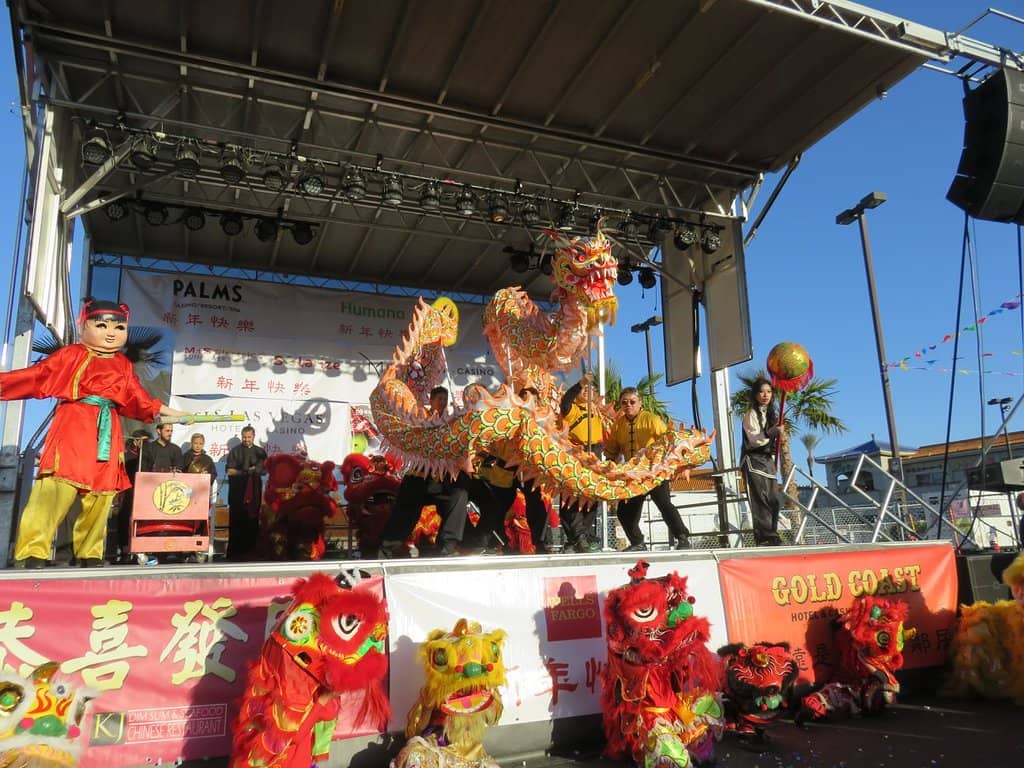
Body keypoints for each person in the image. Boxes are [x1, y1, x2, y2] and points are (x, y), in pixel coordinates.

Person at [0, 298, 192, 568]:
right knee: (56, 487)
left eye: (119, 327)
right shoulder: (72, 354)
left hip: (107, 429)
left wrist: (175, 414)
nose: (111, 333)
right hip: (74, 423)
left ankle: (90, 552)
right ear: (84, 326)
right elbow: (36, 376)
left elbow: (139, 398)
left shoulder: (123, 364)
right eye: (101, 326)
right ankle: (33, 552)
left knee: (101, 493)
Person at [380, 386, 469, 557]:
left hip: (442, 477)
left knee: (459, 496)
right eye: (439, 399)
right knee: (405, 510)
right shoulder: (420, 417)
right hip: (419, 475)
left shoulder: (451, 422)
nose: (442, 402)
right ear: (431, 401)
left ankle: (448, 546)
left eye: (445, 399)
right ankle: (387, 548)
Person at [604, 387, 690, 552]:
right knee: (624, 512)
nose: (628, 405)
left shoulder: (652, 420)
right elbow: (612, 450)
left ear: (640, 403)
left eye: (632, 402)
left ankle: (682, 537)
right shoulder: (618, 426)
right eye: (624, 402)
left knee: (664, 504)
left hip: (654, 472)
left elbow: (670, 441)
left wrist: (682, 465)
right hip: (633, 475)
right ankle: (638, 542)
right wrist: (607, 467)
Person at [558, 373, 604, 553]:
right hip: (576, 453)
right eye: (584, 389)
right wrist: (580, 384)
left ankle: (583, 535)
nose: (587, 391)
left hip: (595, 453)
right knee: (571, 495)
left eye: (590, 389)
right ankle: (578, 536)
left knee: (591, 496)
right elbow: (565, 402)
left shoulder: (597, 411)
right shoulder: (573, 409)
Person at [739, 377, 784, 546]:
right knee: (760, 500)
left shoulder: (771, 415)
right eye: (762, 392)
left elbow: (771, 442)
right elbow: (754, 439)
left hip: (767, 461)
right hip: (753, 460)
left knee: (774, 500)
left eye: (769, 392)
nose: (766, 395)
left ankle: (772, 533)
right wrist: (771, 432)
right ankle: (765, 537)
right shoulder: (750, 414)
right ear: (755, 395)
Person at [225, 424, 267, 561]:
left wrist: (256, 470)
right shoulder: (235, 451)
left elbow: (264, 470)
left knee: (253, 522)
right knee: (236, 522)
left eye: (249, 437)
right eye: (244, 437)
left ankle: (252, 552)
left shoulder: (260, 452)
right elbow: (230, 471)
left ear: (253, 437)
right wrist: (246, 472)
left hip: (254, 492)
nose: (246, 440)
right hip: (237, 493)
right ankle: (234, 554)